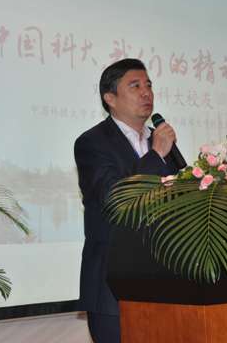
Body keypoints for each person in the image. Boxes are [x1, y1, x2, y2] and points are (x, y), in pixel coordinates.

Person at [74, 58, 180, 343]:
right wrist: (156, 156)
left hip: (165, 281)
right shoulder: (92, 142)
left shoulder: (160, 141)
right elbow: (114, 197)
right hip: (113, 284)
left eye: (149, 85)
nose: (146, 92)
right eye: (135, 86)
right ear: (110, 98)